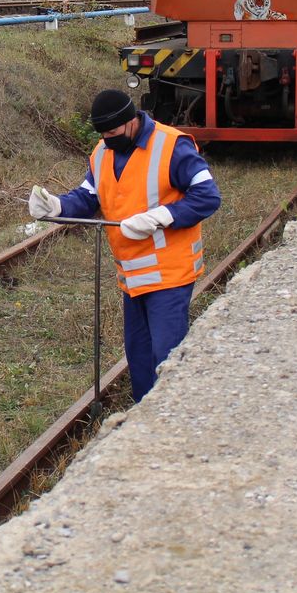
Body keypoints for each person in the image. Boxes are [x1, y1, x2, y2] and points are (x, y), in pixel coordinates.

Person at [28, 90, 221, 403]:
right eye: (102, 133)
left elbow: (208, 197)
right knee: (140, 357)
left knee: (166, 357)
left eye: (113, 132)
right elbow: (89, 197)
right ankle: (144, 420)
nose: (107, 138)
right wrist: (57, 207)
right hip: (132, 278)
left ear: (132, 121)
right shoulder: (102, 152)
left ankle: (174, 418)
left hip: (169, 275)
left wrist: (162, 216)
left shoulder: (173, 146)